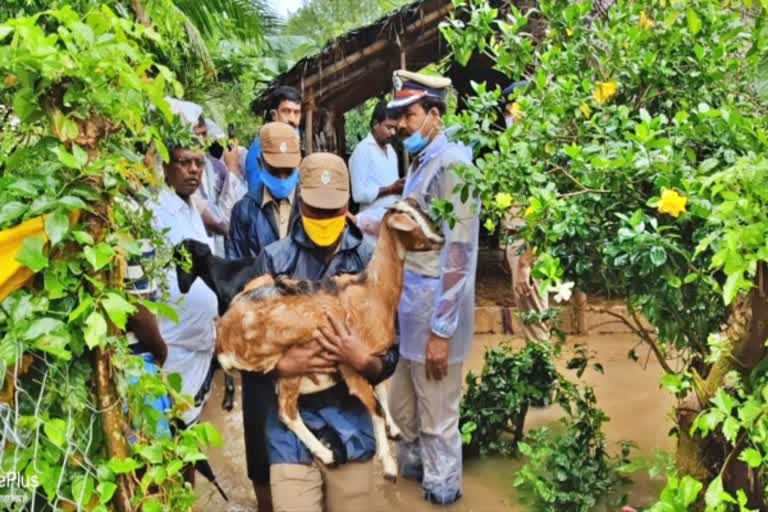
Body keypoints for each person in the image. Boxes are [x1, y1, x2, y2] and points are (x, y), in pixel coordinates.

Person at [250, 152, 399, 512]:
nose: (324, 220)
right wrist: (280, 364)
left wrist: (362, 359)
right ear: (301, 201)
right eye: (315, 210)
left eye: (332, 212)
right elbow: (245, 351)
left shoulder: (369, 260)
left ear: (347, 204)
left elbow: (392, 354)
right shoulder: (273, 261)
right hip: (290, 431)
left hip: (353, 425)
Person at [385, 69, 480, 506]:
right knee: (403, 412)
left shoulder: (454, 166)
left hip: (435, 323)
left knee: (438, 422)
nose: (401, 123)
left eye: (410, 114)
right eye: (399, 115)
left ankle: (443, 494)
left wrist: (442, 332)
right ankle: (414, 486)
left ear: (434, 115)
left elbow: (459, 254)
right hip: (411, 315)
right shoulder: (423, 164)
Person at [143, 138, 219, 432]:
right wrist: (158, 348)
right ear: (165, 165)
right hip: (170, 349)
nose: (194, 170)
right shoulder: (153, 213)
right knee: (167, 436)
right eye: (184, 162)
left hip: (198, 347)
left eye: (199, 163)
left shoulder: (192, 209)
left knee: (189, 434)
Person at [499, 80, 550, 342]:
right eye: (507, 111)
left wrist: (525, 262)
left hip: (527, 243)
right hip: (519, 238)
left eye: (513, 110)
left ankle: (542, 377)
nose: (509, 117)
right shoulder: (518, 150)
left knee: (534, 316)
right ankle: (539, 372)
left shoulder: (535, 152)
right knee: (530, 314)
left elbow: (544, 216)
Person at [227, 122, 302, 259]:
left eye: (288, 171)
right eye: (275, 170)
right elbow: (235, 271)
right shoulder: (244, 211)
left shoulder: (312, 206)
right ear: (260, 163)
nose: (282, 178)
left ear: (299, 164)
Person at [349, 99, 403, 215]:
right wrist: (390, 189)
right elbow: (358, 195)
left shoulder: (391, 151)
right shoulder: (363, 150)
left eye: (395, 128)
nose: (393, 132)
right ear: (375, 124)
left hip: (391, 219)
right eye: (389, 127)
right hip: (370, 223)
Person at [244, 86, 303, 193]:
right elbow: (256, 192)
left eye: (296, 112)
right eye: (286, 111)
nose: (292, 119)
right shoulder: (260, 148)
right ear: (274, 115)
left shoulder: (294, 134)